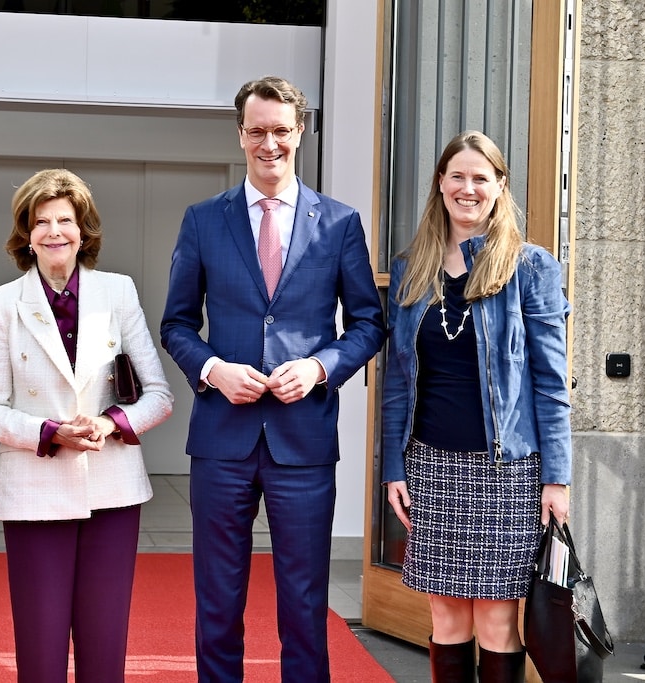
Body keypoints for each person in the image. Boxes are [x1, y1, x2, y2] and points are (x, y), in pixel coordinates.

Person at [160, 76, 386, 682]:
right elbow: (176, 324)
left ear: (300, 132)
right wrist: (212, 369)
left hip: (304, 440)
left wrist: (319, 368)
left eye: (281, 131)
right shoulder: (204, 220)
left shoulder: (339, 224)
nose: (269, 143)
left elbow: (369, 323)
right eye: (257, 131)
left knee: (306, 603)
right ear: (240, 135)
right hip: (221, 438)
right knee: (217, 602)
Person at [0, 168, 173, 683]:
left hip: (113, 485)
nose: (55, 231)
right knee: (40, 644)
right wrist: (50, 431)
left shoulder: (118, 292)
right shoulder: (0, 305)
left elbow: (160, 396)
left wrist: (108, 424)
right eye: (42, 222)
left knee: (106, 642)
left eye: (66, 219)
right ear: (26, 234)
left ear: (84, 230)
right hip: (36, 488)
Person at [382, 131, 572, 683]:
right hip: (432, 467)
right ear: (440, 184)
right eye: (457, 177)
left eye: (480, 178)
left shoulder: (530, 268)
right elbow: (397, 383)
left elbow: (552, 383)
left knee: (495, 620)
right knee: (444, 617)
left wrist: (556, 479)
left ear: (499, 187)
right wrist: (394, 466)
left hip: (507, 471)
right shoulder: (411, 269)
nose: (468, 189)